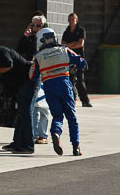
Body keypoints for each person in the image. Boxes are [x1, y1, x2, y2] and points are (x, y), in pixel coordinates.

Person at [30, 28, 86, 156]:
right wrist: (73, 65)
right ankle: (76, 147)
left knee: (57, 115)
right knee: (71, 117)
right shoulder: (64, 50)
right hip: (64, 84)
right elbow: (82, 62)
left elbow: (32, 76)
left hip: (49, 87)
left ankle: (56, 132)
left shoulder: (38, 56)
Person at [16, 14, 50, 144]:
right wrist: (25, 35)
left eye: (39, 25)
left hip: (45, 72)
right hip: (32, 71)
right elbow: (19, 50)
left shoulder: (48, 38)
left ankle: (43, 134)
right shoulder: (30, 39)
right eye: (34, 25)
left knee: (44, 106)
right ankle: (34, 133)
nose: (36, 28)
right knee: (34, 104)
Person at [62, 13, 93, 107]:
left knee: (80, 80)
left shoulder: (81, 30)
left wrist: (69, 45)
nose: (71, 21)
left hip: (79, 59)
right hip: (69, 59)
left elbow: (80, 44)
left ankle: (85, 100)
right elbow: (63, 45)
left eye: (73, 19)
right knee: (70, 80)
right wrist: (73, 44)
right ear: (68, 20)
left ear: (76, 20)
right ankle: (72, 99)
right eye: (70, 19)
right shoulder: (66, 32)